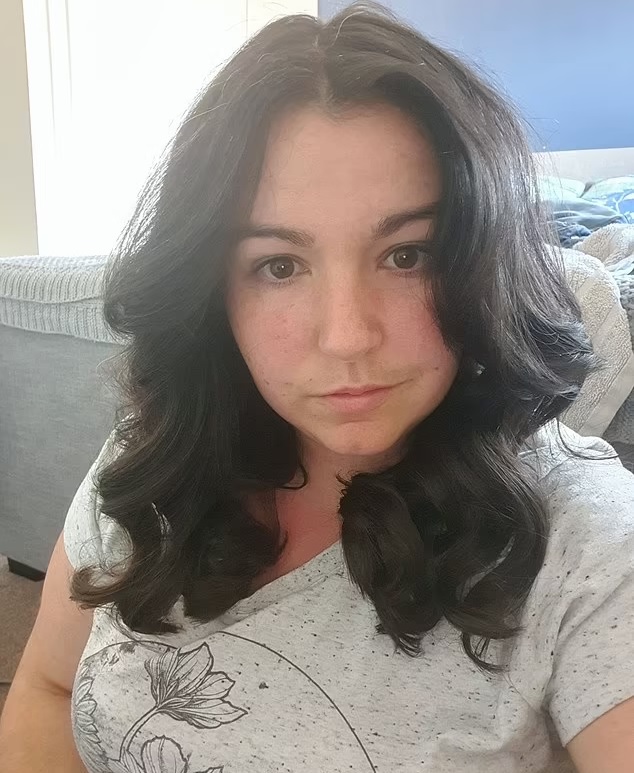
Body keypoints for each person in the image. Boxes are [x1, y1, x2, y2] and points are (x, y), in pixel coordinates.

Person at [1, 3, 633, 772]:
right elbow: (49, 685)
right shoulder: (154, 457)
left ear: (482, 263)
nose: (346, 335)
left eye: (407, 255)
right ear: (214, 291)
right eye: (279, 265)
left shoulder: (585, 537)